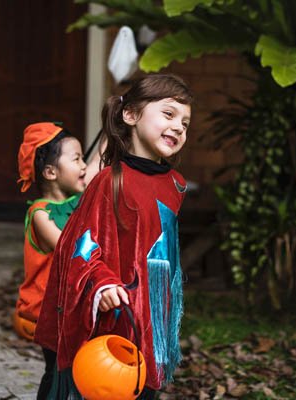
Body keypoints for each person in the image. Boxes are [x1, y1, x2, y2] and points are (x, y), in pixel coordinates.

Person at [34, 74, 193, 399]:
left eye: (186, 122)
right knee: (103, 385)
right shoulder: (110, 181)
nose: (179, 127)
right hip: (114, 309)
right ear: (131, 115)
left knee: (140, 383)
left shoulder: (175, 184)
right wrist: (102, 283)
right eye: (168, 114)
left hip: (151, 312)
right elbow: (79, 244)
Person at [12, 122, 88, 398]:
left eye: (84, 157)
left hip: (70, 306)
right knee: (57, 368)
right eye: (77, 158)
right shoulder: (41, 214)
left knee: (75, 369)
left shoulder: (77, 201)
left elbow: (98, 169)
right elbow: (69, 248)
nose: (84, 165)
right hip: (47, 310)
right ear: (51, 172)